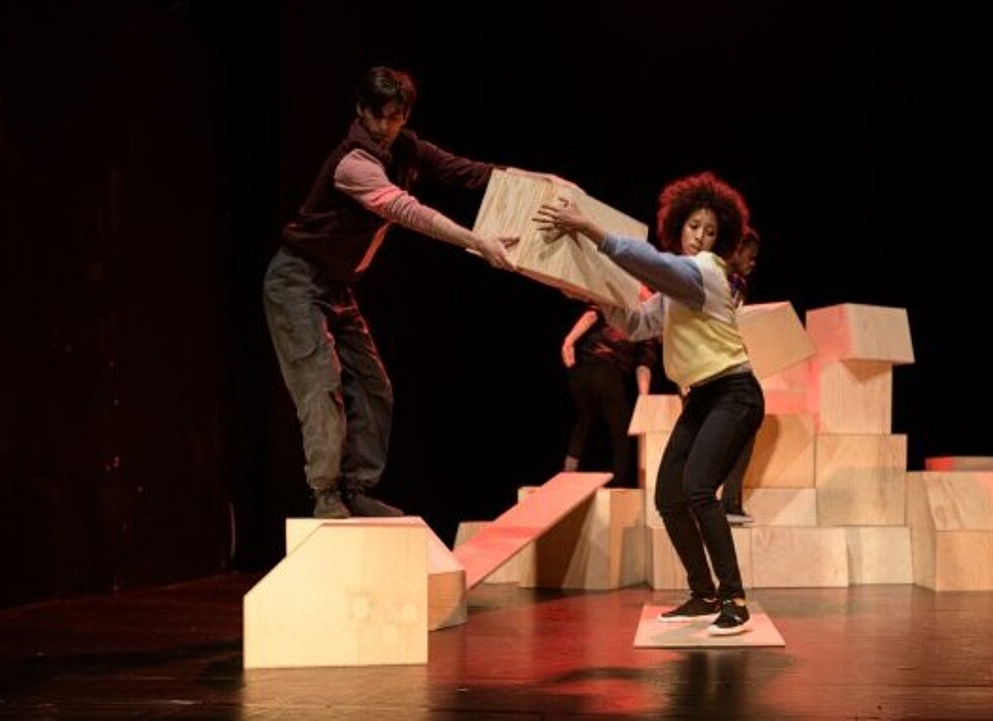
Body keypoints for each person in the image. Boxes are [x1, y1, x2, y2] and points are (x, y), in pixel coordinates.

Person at [263, 66, 557, 519]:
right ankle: (326, 496)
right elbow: (407, 211)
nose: (384, 128)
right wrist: (477, 241)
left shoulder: (408, 148)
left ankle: (356, 487)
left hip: (337, 287)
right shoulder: (353, 162)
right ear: (360, 112)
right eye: (377, 117)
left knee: (375, 386)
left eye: (394, 118)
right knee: (321, 386)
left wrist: (538, 181)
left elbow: (467, 172)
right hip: (297, 282)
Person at [536, 172, 764, 636]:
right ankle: (702, 594)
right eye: (693, 226)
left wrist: (592, 230)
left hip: (734, 392)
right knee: (668, 497)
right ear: (679, 224)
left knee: (699, 489)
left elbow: (653, 263)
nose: (699, 236)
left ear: (720, 240)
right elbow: (638, 324)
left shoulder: (706, 272)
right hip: (701, 399)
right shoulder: (676, 290)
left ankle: (734, 599)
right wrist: (597, 296)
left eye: (710, 231)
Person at [560, 297, 658, 488]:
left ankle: (568, 472)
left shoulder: (617, 302)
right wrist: (643, 397)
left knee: (585, 418)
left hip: (581, 373)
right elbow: (643, 365)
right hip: (608, 375)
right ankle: (620, 484)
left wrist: (569, 341)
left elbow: (591, 315)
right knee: (621, 435)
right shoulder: (648, 324)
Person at [719, 227, 762, 525]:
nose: (753, 261)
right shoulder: (715, 277)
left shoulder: (738, 284)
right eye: (751, 255)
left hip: (731, 363)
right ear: (735, 251)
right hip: (710, 367)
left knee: (747, 422)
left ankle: (730, 502)